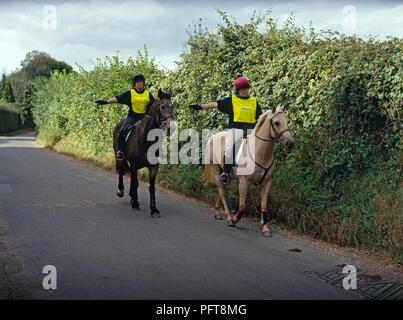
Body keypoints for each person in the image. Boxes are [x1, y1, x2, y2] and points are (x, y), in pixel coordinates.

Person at [189, 77, 262, 184]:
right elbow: (216, 104)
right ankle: (226, 173)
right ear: (237, 90)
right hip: (235, 130)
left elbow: (259, 117)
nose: (245, 91)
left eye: (246, 88)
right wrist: (201, 107)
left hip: (250, 131)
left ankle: (260, 173)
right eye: (242, 89)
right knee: (229, 149)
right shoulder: (231, 100)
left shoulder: (254, 101)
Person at [96, 73, 155, 160]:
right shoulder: (130, 93)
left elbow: (154, 106)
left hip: (144, 118)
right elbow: (117, 99)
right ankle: (120, 151)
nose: (140, 83)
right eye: (137, 82)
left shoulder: (148, 94)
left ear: (143, 83)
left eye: (141, 81)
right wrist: (106, 102)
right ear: (134, 83)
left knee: (156, 130)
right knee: (121, 131)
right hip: (133, 117)